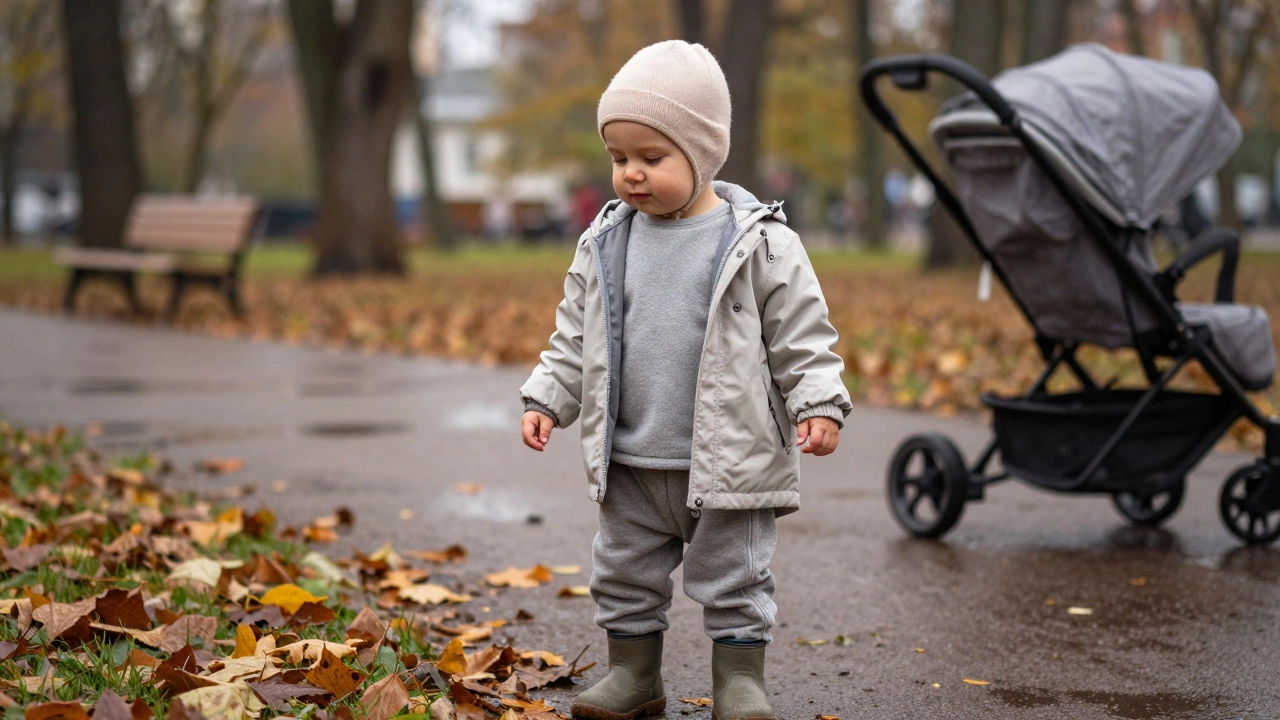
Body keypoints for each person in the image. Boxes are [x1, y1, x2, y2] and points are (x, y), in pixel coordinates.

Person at [518, 40, 851, 720]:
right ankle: (634, 677)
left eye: (651, 157)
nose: (631, 174)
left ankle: (739, 683)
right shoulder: (607, 241)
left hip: (729, 460)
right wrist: (549, 396)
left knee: (737, 577)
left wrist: (818, 399)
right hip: (633, 458)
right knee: (624, 574)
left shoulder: (758, 241)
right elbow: (575, 334)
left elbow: (801, 333)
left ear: (702, 153)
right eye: (619, 159)